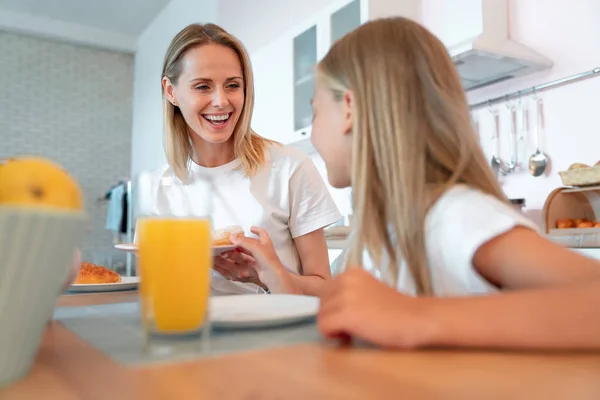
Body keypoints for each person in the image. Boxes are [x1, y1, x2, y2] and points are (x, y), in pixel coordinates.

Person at [241, 17, 600, 350]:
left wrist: (414, 317)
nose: (313, 134)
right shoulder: (383, 229)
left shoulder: (452, 215)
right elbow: (360, 308)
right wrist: (280, 280)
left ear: (348, 109)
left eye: (316, 112)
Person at [147, 23, 341, 296]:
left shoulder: (289, 168)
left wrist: (265, 276)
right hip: (190, 334)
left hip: (278, 335)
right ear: (171, 92)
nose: (221, 101)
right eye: (202, 86)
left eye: (233, 85)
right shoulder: (159, 187)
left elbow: (325, 290)